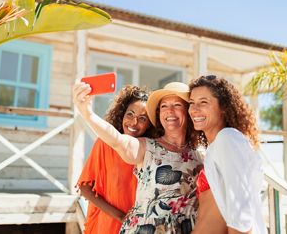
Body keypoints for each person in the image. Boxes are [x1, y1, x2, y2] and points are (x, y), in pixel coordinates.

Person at [73, 81, 203, 234]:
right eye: (164, 106)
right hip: (125, 225)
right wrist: (88, 114)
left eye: (177, 105)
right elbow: (116, 139)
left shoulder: (199, 154)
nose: (169, 111)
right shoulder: (141, 147)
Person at [188, 75, 267, 234]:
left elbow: (241, 216)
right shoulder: (215, 146)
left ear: (223, 107)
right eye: (191, 103)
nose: (194, 109)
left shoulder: (228, 138)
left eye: (203, 102)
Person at [76, 85, 156, 234]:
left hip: (140, 225)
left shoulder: (152, 150)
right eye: (130, 114)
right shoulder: (104, 144)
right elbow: (85, 188)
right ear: (122, 114)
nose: (133, 122)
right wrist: (119, 216)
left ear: (150, 124)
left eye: (142, 118)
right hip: (107, 223)